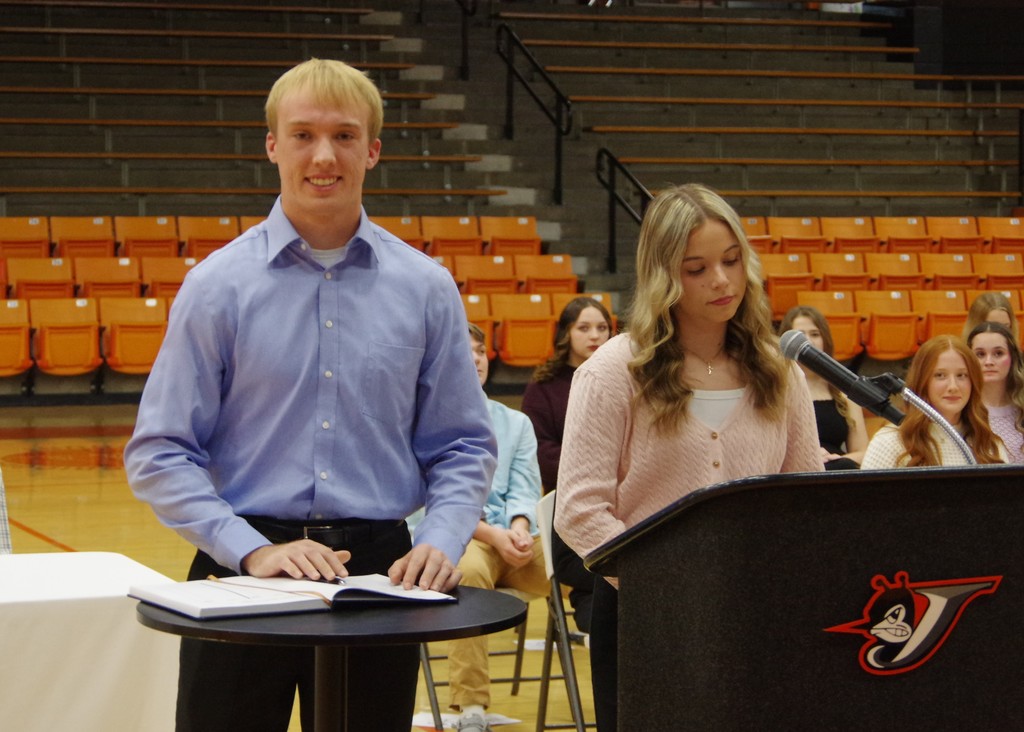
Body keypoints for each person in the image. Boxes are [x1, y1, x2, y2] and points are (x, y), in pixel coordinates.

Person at [123, 58, 497, 732]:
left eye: (345, 136)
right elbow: (160, 452)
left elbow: (464, 444)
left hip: (381, 576)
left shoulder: (426, 288)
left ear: (373, 150)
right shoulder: (217, 288)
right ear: (272, 146)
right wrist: (251, 549)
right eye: (302, 135)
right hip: (243, 565)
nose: (324, 155)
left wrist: (442, 538)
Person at [553, 183, 823, 731]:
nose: (722, 281)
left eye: (730, 261)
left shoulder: (780, 370)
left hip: (758, 612)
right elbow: (579, 511)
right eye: (696, 268)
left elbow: (805, 498)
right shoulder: (611, 373)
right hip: (647, 616)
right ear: (661, 276)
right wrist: (671, 587)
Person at [449, 323, 549, 732]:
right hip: (464, 536)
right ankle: (471, 706)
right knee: (468, 572)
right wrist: (493, 535)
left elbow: (526, 488)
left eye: (480, 351)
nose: (474, 358)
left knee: (587, 559)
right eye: (463, 350)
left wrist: (522, 527)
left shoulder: (516, 423)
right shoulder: (425, 418)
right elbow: (436, 503)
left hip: (514, 538)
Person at [521, 295, 614, 634]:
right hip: (569, 503)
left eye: (602, 328)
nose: (595, 336)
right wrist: (600, 469)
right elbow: (542, 453)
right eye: (584, 328)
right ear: (566, 334)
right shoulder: (543, 387)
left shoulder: (625, 378)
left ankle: (595, 610)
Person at [861, 335, 1006, 468]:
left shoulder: (989, 444)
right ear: (923, 382)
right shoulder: (890, 442)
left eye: (962, 375)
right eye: (940, 375)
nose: (953, 387)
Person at [779, 305, 869, 469]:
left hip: (835, 471)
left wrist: (835, 459)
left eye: (815, 334)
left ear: (825, 340)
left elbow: (863, 452)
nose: (808, 341)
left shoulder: (844, 393)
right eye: (800, 335)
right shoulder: (776, 390)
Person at [967, 322, 1024, 463]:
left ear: (1012, 358)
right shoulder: (961, 410)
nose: (989, 361)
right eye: (980, 354)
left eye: (998, 353)